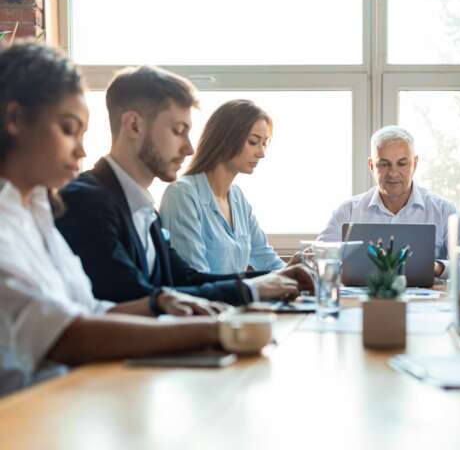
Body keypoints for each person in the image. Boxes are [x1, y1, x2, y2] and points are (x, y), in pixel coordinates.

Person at [0, 41, 232, 396]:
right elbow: (66, 337)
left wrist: (156, 303)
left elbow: (89, 310)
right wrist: (219, 330)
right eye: (67, 129)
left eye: (82, 135)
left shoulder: (39, 212)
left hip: (65, 400)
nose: (80, 150)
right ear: (15, 120)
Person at [56, 66, 312, 305]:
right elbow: (136, 297)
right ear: (134, 125)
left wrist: (276, 278)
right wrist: (252, 290)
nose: (189, 148)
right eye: (178, 131)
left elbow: (186, 280)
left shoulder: (144, 210)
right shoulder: (85, 201)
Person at [317, 125, 460, 277]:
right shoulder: (348, 211)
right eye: (384, 164)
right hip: (362, 302)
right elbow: (317, 258)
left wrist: (438, 267)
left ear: (414, 164)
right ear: (371, 165)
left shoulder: (443, 211)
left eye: (402, 164)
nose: (393, 173)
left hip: (426, 304)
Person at [159, 100, 285, 274]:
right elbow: (195, 277)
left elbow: (266, 258)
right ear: (225, 139)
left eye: (264, 143)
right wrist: (255, 288)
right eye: (253, 142)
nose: (261, 153)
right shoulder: (182, 195)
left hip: (239, 299)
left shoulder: (238, 198)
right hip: (209, 301)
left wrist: (297, 273)